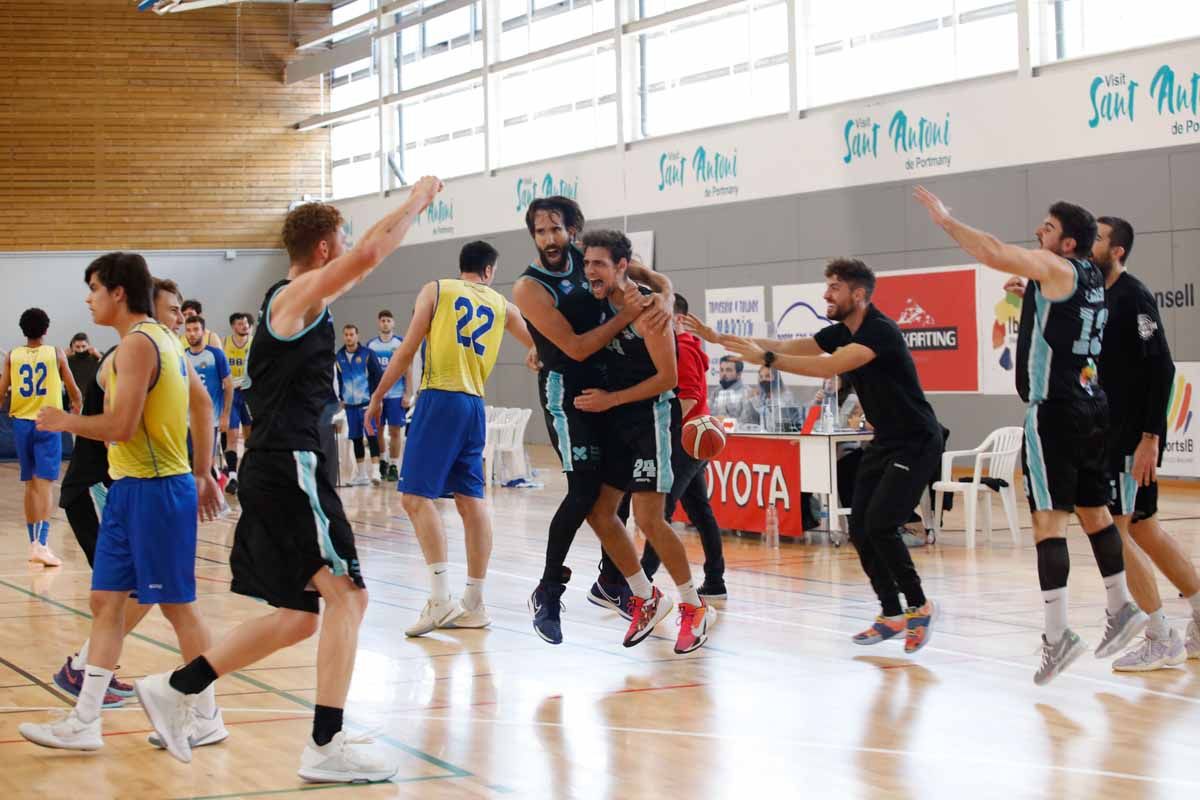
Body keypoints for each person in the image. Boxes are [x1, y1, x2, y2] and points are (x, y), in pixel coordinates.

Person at [137, 179, 442, 781]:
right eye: (342, 243)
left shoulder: (296, 301)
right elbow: (370, 256)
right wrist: (415, 202)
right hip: (291, 465)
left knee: (300, 616)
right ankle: (326, 746)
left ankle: (179, 690)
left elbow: (359, 262)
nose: (349, 254)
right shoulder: (293, 299)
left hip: (275, 468)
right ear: (325, 248)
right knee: (351, 595)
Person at [914, 187, 1145, 685]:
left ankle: (1058, 635)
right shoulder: (1091, 278)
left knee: (1047, 522)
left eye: (1048, 227)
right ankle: (1121, 606)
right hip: (1093, 406)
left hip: (1055, 411)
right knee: (1096, 514)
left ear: (1066, 245)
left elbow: (994, 250)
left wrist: (948, 220)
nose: (1039, 231)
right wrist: (1032, 294)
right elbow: (1060, 314)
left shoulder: (1056, 268)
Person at [18, 252, 223, 752]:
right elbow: (202, 404)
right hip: (131, 487)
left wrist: (65, 421)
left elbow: (122, 427)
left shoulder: (138, 346)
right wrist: (203, 471)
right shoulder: (166, 342)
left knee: (177, 608)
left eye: (93, 288)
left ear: (118, 293)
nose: (87, 299)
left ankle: (208, 715)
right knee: (106, 601)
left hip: (156, 490)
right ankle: (85, 720)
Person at [709, 258, 939, 655]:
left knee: (882, 525)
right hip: (884, 441)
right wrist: (724, 339)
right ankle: (891, 613)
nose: (826, 294)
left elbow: (828, 366)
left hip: (916, 441)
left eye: (834, 287)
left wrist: (763, 359)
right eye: (827, 286)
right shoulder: (840, 331)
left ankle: (919, 606)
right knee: (860, 529)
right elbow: (787, 347)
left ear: (858, 294)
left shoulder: (879, 332)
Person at [511, 195, 671, 645]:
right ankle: (548, 590)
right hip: (568, 393)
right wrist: (628, 314)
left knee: (611, 492)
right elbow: (576, 348)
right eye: (541, 232)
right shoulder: (529, 287)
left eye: (556, 229)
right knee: (583, 492)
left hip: (608, 388)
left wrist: (664, 301)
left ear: (573, 231)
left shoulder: (594, 259)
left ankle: (612, 581)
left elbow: (655, 278)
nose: (549, 239)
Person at [49, 280, 202, 710]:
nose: (179, 318)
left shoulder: (161, 352)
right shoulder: (128, 355)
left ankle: (87, 678)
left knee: (124, 595)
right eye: (172, 310)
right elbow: (120, 426)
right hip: (101, 485)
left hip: (131, 485)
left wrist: (206, 470)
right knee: (132, 594)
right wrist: (67, 420)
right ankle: (85, 671)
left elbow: (203, 406)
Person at [368, 240, 533, 636]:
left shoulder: (437, 289)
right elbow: (540, 346)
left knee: (413, 497)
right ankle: (474, 602)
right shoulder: (503, 306)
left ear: (461, 266)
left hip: (440, 396)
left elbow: (407, 350)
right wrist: (534, 354)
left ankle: (440, 598)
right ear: (490, 271)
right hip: (474, 405)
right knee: (472, 501)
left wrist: (377, 397)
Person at [573, 229, 714, 653]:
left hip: (651, 418)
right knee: (599, 513)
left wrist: (611, 399)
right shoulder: (600, 299)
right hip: (616, 420)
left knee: (650, 519)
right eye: (587, 263)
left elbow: (668, 379)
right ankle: (646, 595)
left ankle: (694, 605)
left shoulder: (648, 309)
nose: (590, 271)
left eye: (599, 263)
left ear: (620, 266)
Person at [1090, 216, 1200, 670]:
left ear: (1117, 250)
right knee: (1143, 527)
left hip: (1132, 437)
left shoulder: (1133, 297)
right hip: (1111, 433)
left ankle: (1160, 635)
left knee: (1114, 533)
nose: (1089, 245)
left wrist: (1149, 438)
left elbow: (1163, 368)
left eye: (1097, 238)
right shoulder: (1095, 295)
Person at [591, 293, 729, 610]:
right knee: (699, 510)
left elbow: (690, 397)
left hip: (685, 439)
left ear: (676, 318)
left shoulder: (682, 348)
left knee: (658, 511)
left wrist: (661, 432)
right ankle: (715, 580)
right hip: (691, 440)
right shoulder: (680, 347)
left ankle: (645, 580)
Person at [0, 308, 82, 566]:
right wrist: (77, 409)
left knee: (30, 484)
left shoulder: (12, 356)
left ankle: (33, 542)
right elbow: (73, 389)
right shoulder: (55, 353)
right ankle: (42, 544)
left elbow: (1, 392)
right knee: (45, 484)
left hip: (22, 424)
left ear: (23, 330)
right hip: (48, 421)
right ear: (46, 330)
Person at [365, 309, 413, 482]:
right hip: (379, 396)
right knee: (378, 430)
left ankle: (393, 465)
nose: (385, 323)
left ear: (393, 323)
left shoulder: (400, 343)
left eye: (388, 320)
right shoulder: (371, 346)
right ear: (379, 323)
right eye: (382, 320)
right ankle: (382, 461)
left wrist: (408, 394)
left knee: (395, 431)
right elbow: (368, 373)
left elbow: (408, 370)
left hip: (396, 395)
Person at [184, 315, 234, 473]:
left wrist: (225, 415)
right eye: (188, 330)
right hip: (186, 421)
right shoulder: (182, 356)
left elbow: (229, 385)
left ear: (204, 332)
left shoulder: (216, 355)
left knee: (206, 465)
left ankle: (216, 495)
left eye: (196, 329)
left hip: (210, 421)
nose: (192, 334)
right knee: (190, 464)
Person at [335, 323, 383, 486]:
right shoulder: (339, 357)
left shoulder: (367, 354)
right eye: (346, 335)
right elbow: (339, 380)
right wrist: (341, 397)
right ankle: (361, 475)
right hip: (349, 405)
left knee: (371, 435)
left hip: (366, 403)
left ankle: (376, 472)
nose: (349, 337)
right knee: (355, 438)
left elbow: (378, 375)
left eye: (351, 334)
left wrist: (376, 398)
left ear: (357, 336)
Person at [222, 311, 254, 494]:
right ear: (233, 326)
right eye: (240, 324)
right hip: (231, 395)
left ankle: (248, 474)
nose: (244, 326)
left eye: (246, 324)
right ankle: (233, 476)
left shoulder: (253, 344)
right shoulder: (225, 343)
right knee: (232, 437)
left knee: (250, 438)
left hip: (249, 394)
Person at [709, 355, 757, 426]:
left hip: (738, 436)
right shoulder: (716, 391)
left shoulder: (747, 392)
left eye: (728, 370)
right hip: (716, 434)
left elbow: (748, 423)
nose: (724, 374)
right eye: (722, 370)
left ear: (739, 374)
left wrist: (726, 421)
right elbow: (708, 416)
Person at [66, 332, 102, 398]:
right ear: (72, 347)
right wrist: (63, 356)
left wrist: (98, 355)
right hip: (74, 399)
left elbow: (110, 367)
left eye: (83, 346)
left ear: (88, 345)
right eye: (77, 347)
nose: (81, 350)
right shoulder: (68, 360)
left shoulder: (96, 357)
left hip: (94, 398)